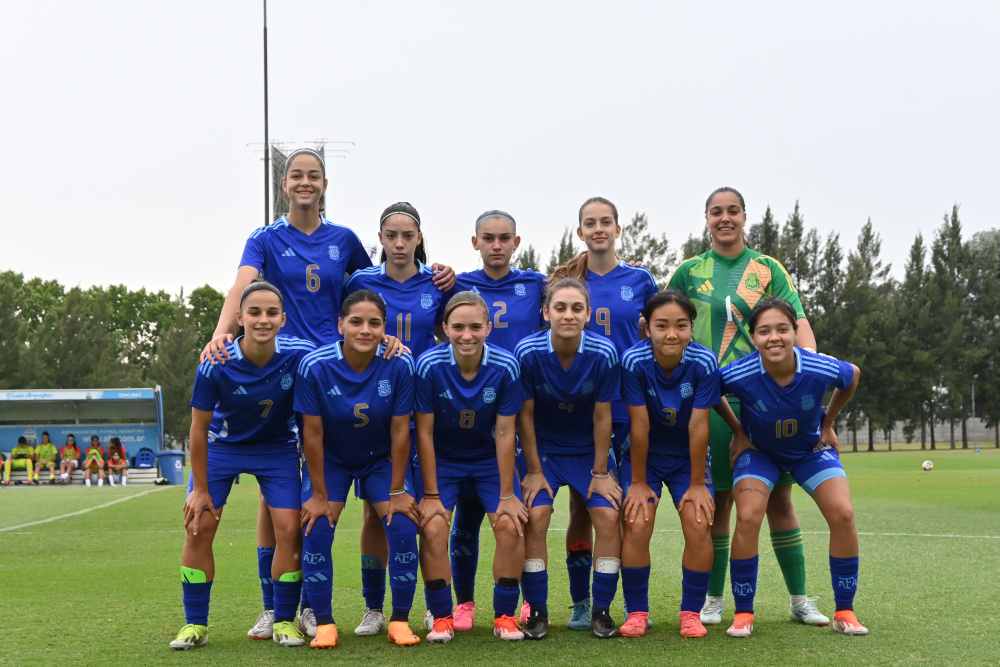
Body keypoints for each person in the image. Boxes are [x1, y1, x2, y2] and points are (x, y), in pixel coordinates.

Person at [199, 151, 452, 641]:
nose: (305, 183)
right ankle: (278, 607)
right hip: (293, 369)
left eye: (313, 175)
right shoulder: (265, 237)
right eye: (296, 175)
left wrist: (427, 287)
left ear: (326, 184)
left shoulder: (346, 241)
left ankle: (383, 607)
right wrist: (220, 334)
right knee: (283, 497)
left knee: (384, 498)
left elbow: (374, 293)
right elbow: (241, 287)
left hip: (355, 370)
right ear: (285, 183)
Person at [667, 186, 827, 627]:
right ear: (706, 218)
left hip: (767, 401)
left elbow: (801, 330)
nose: (725, 218)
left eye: (732, 211)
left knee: (778, 499)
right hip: (710, 401)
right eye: (716, 212)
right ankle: (713, 600)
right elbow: (667, 326)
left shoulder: (767, 268)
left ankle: (799, 600)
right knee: (718, 504)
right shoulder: (688, 271)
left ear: (743, 216)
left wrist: (803, 382)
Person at [170, 280, 315, 650]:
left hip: (277, 448)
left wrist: (386, 341)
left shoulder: (300, 354)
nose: (262, 320)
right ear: (239, 318)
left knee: (288, 528)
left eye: (271, 313)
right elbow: (198, 430)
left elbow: (348, 347)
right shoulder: (216, 362)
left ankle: (283, 619)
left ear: (284, 319)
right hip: (223, 447)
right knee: (198, 526)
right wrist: (200, 489)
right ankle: (195, 625)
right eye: (254, 312)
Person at [716, 296, 865, 637]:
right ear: (753, 338)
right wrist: (738, 431)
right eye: (764, 331)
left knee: (843, 513)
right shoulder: (741, 371)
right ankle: (743, 613)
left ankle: (844, 610)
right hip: (761, 453)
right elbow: (710, 390)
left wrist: (828, 422)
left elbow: (852, 375)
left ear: (795, 332)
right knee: (749, 515)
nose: (774, 337)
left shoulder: (815, 366)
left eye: (783, 329)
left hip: (809, 450)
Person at [344, 201, 456, 637]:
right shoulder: (361, 281)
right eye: (391, 235)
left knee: (430, 511)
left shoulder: (440, 281)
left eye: (408, 235)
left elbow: (460, 328)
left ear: (420, 239)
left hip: (426, 407)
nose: (399, 243)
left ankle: (434, 606)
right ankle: (374, 608)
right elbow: (348, 328)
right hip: (376, 407)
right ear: (380, 238)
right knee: (377, 512)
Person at [548, 196, 660, 626]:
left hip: (629, 406)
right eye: (590, 223)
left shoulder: (640, 279)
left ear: (617, 228)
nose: (598, 229)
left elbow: (656, 334)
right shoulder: (566, 280)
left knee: (625, 508)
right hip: (582, 410)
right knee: (581, 506)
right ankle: (581, 603)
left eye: (606, 222)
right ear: (580, 232)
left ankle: (632, 606)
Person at [296, 290, 421, 648]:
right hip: (332, 460)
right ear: (341, 325)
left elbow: (401, 430)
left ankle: (397, 619)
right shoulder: (315, 365)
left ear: (385, 328)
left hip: (380, 459)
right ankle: (323, 622)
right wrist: (319, 495)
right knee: (317, 527)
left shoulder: (400, 363)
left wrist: (397, 491)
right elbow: (313, 434)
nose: (365, 330)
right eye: (356, 321)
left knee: (401, 525)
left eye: (374, 323)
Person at [446, 209, 548, 630]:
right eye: (488, 238)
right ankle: (464, 603)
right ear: (475, 242)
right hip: (468, 412)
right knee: (466, 518)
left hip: (520, 411)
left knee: (516, 513)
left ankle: (522, 602)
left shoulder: (536, 284)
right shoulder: (455, 285)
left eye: (505, 238)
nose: (496, 245)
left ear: (517, 242)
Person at [414, 292, 527, 643]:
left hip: (489, 462)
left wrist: (507, 494)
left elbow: (507, 431)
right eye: (458, 327)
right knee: (432, 527)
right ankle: (443, 617)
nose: (467, 335)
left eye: (475, 327)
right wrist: (431, 494)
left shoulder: (506, 366)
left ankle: (505, 616)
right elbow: (425, 432)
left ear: (488, 328)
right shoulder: (429, 365)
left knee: (511, 524)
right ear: (445, 328)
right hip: (443, 461)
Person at [516, 278, 623, 639]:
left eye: (577, 308)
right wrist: (532, 470)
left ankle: (601, 610)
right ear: (546, 312)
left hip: (587, 451)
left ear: (588, 313)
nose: (568, 314)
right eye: (560, 307)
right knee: (537, 515)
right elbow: (524, 417)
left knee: (607, 517)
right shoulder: (527, 352)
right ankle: (537, 611)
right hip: (543, 451)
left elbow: (602, 416)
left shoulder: (604, 352)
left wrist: (601, 471)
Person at [618, 290, 718, 638]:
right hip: (642, 458)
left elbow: (698, 424)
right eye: (662, 325)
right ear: (648, 328)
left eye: (681, 325)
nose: (671, 334)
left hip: (687, 462)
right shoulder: (633, 361)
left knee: (698, 521)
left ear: (692, 328)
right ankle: (636, 613)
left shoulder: (704, 363)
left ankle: (691, 612)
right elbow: (640, 425)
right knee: (637, 522)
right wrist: (639, 482)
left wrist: (696, 484)